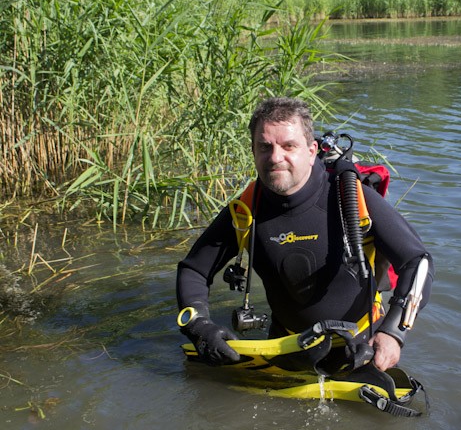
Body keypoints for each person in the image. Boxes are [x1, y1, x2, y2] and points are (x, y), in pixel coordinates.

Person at [176, 96, 433, 373]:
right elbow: (194, 270)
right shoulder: (247, 208)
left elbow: (417, 261)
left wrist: (394, 333)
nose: (276, 157)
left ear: (311, 151)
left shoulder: (350, 198)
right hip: (284, 344)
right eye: (265, 147)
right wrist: (200, 326)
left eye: (289, 146)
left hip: (361, 344)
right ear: (253, 151)